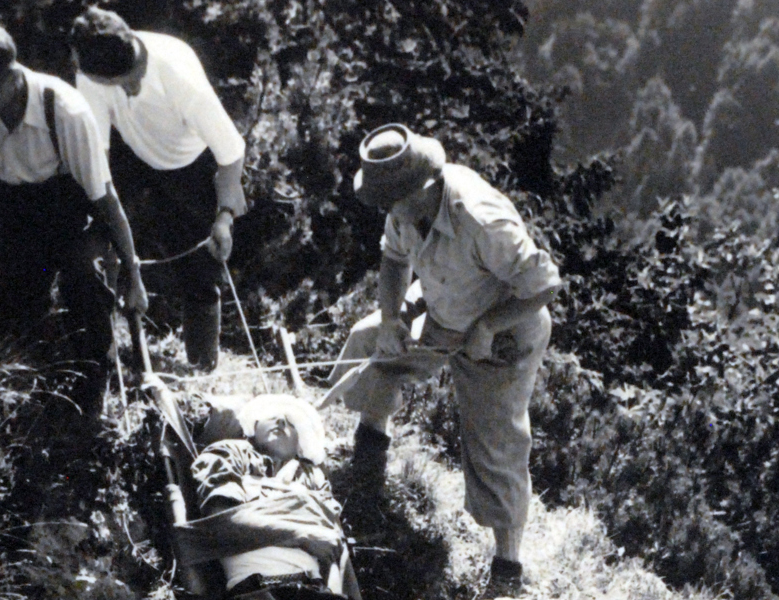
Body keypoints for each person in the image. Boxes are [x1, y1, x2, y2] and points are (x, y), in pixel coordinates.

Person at [330, 123, 562, 598]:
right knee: (371, 344)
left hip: (504, 334)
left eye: (391, 201)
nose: (386, 211)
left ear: (425, 187)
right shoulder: (400, 204)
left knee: (495, 442)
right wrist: (394, 319)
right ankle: (369, 458)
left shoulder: (481, 219)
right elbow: (394, 260)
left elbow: (544, 286)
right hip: (442, 309)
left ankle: (507, 570)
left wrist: (486, 328)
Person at [0, 20, 148, 415]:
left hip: (66, 203)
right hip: (9, 203)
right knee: (17, 301)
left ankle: (93, 382)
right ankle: (39, 369)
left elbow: (105, 198)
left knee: (83, 282)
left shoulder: (66, 110)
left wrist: (132, 271)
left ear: (12, 75)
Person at [68, 6, 248, 371]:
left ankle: (202, 370)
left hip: (188, 166)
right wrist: (116, 243)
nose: (128, 89)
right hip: (128, 155)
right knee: (93, 243)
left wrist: (225, 217)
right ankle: (100, 356)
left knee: (200, 268)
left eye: (130, 82)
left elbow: (231, 152)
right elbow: (97, 158)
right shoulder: (92, 69)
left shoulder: (178, 76)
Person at [189, 395, 358, 600]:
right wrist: (300, 535)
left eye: (292, 423)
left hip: (314, 590)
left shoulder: (313, 478)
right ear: (255, 425)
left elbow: (331, 546)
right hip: (257, 589)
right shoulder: (230, 452)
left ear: (301, 444)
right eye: (272, 416)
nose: (280, 421)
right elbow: (223, 522)